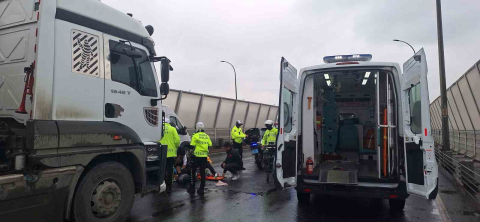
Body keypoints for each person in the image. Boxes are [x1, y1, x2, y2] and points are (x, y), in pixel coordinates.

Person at [188, 122, 212, 195]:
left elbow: (192, 146)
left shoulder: (195, 136)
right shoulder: (207, 136)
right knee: (202, 172)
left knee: (193, 171)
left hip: (196, 157)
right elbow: (210, 145)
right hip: (204, 157)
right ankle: (201, 189)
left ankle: (192, 188)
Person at [159, 117, 180, 194]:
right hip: (171, 154)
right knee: (170, 171)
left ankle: (161, 185)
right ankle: (169, 187)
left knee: (162, 170)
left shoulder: (159, 129)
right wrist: (175, 147)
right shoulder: (172, 129)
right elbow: (177, 140)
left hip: (161, 153)